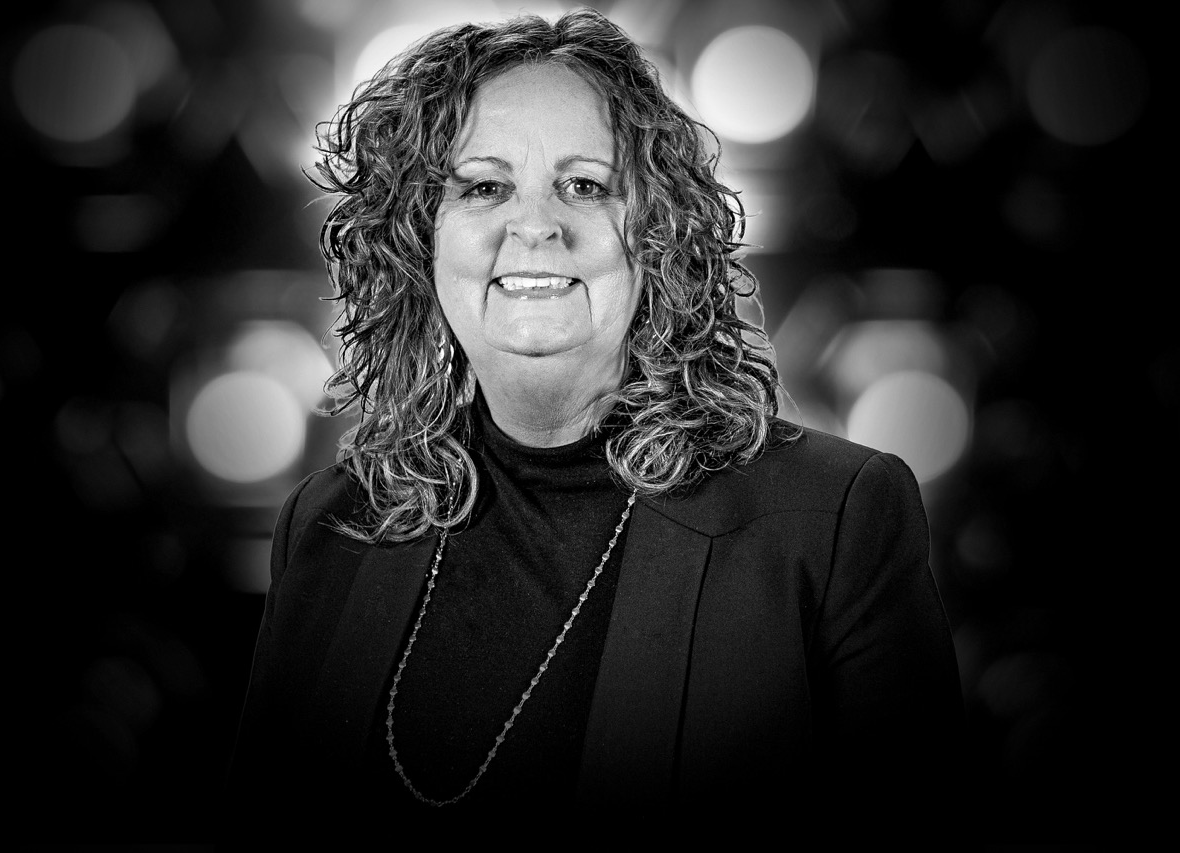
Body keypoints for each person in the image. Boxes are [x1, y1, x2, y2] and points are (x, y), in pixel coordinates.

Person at [225, 6, 962, 837]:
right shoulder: (328, 528)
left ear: (657, 235)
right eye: (483, 185)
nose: (533, 224)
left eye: (584, 184)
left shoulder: (837, 521)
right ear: (418, 239)